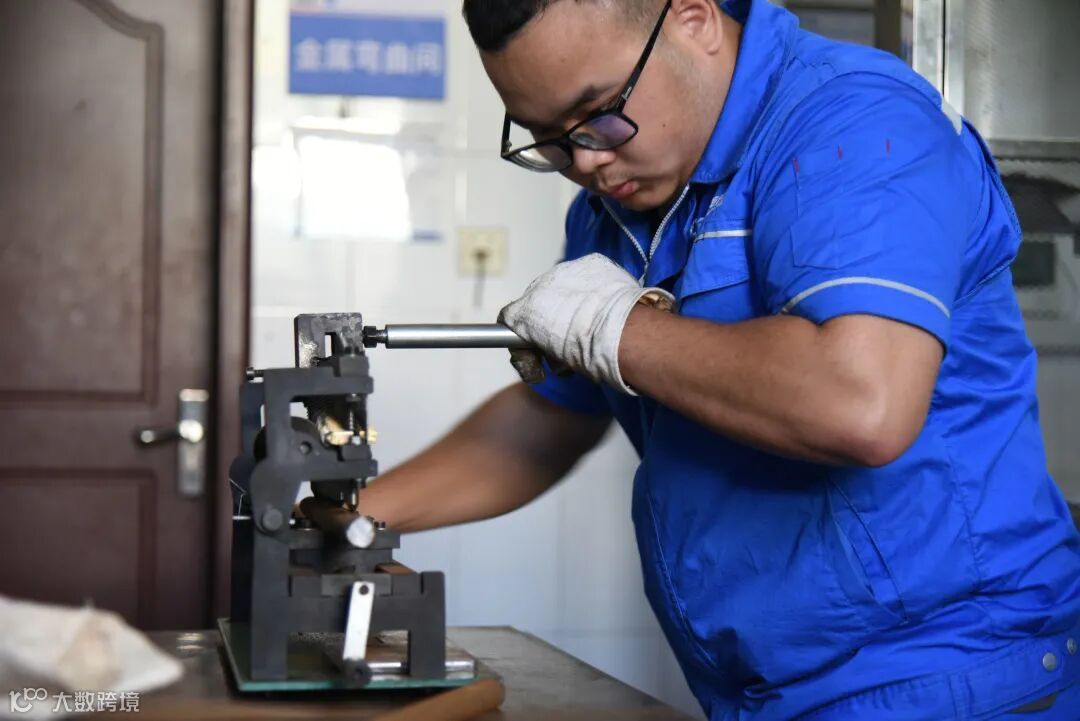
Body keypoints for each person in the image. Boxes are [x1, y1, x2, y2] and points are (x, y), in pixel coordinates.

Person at [359, 1, 1080, 717]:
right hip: (767, 693)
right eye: (548, 139)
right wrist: (352, 520)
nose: (585, 161)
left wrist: (619, 329)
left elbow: (861, 402)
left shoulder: (854, 122)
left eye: (599, 114)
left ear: (696, 19)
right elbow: (553, 419)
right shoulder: (613, 211)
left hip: (956, 680)